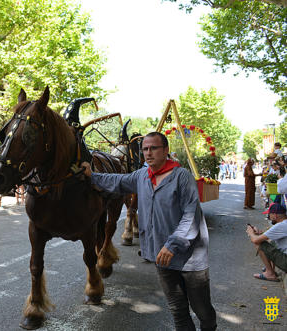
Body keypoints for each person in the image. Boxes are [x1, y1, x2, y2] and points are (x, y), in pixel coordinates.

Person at [82, 131, 216, 331]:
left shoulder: (182, 176)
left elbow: (191, 215)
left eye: (154, 148)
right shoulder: (142, 176)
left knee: (201, 309)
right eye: (145, 149)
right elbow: (117, 181)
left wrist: (172, 245)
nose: (148, 153)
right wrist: (92, 176)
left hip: (190, 259)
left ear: (166, 150)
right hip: (161, 258)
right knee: (178, 310)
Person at [246, 203, 287, 282]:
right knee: (272, 242)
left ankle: (270, 273)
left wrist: (250, 232)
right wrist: (258, 234)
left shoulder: (281, 226)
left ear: (274, 215)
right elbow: (267, 237)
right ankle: (271, 269)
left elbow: (255, 240)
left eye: (269, 215)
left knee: (260, 244)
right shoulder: (284, 223)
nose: (269, 218)